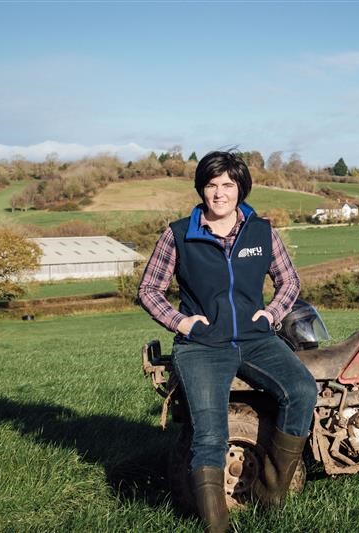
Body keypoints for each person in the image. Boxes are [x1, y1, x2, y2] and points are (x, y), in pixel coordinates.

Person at [138, 151, 317, 533]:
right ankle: (217, 527)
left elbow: (290, 282)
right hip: (203, 346)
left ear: (240, 189)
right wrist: (182, 323)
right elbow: (150, 289)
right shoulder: (178, 233)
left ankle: (268, 499)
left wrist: (272, 314)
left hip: (256, 340)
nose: (219, 193)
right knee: (209, 433)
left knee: (301, 390)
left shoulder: (262, 232)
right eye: (211, 185)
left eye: (227, 185)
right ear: (202, 189)